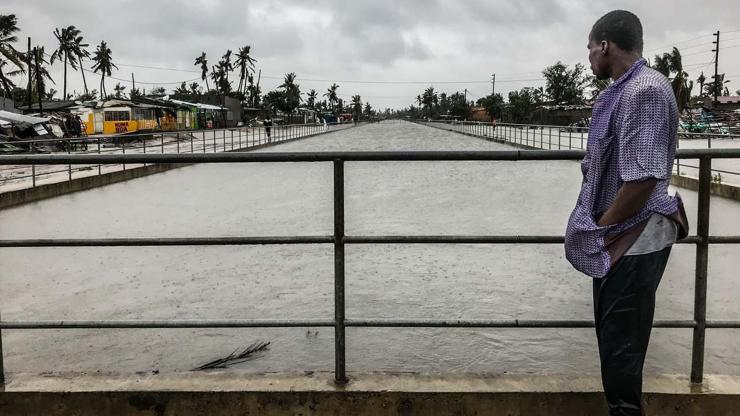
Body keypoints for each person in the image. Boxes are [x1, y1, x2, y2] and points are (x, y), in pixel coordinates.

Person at [564, 10, 688, 415]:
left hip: (635, 236)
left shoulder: (644, 92)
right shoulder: (628, 88)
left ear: (605, 45)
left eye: (589, 48)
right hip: (626, 234)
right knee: (615, 337)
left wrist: (598, 231)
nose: (588, 57)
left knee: (622, 346)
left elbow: (642, 179)